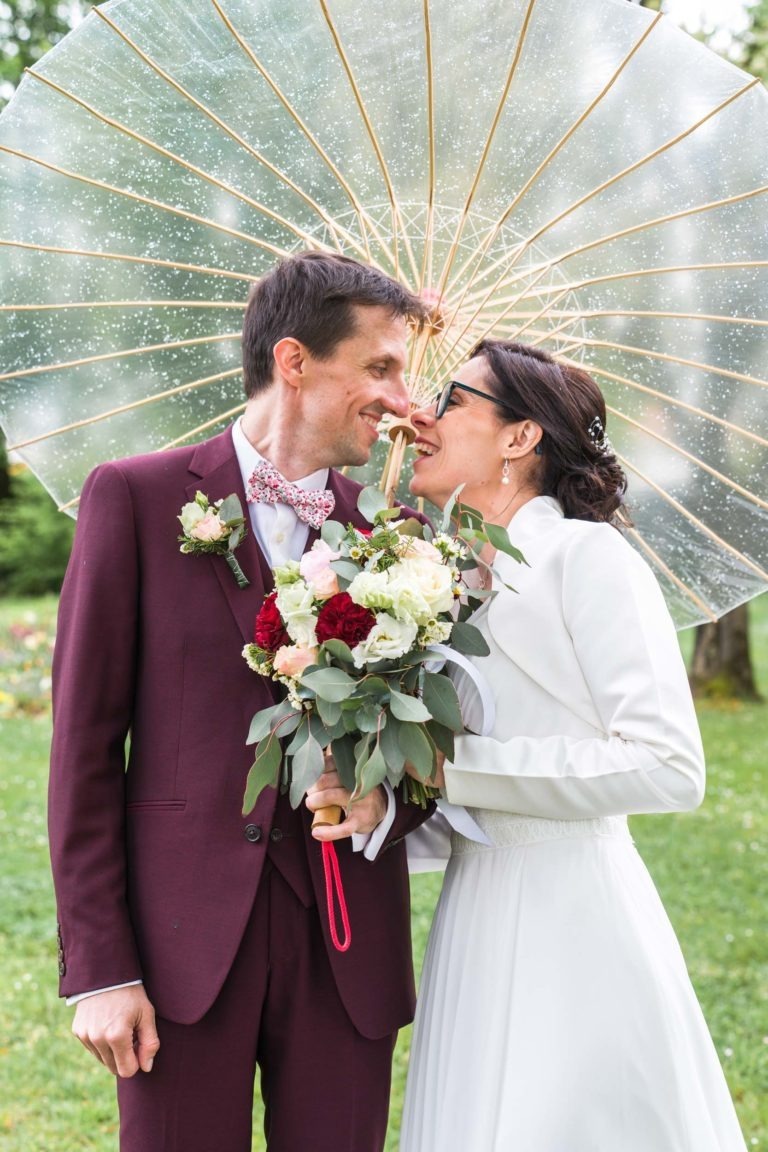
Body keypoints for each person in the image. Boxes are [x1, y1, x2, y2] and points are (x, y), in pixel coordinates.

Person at [49, 251, 433, 1152]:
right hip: (180, 952)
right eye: (380, 366)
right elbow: (84, 752)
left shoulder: (401, 537)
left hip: (345, 944)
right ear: (295, 362)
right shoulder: (137, 499)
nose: (399, 394)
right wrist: (100, 970)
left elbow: (429, 745)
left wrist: (385, 801)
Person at [399, 341, 747, 1151]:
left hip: (571, 914)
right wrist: (385, 799)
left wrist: (458, 767)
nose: (423, 415)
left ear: (521, 438)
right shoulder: (448, 581)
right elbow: (469, 787)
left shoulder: (588, 559)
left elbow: (667, 764)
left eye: (451, 398)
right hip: (476, 911)